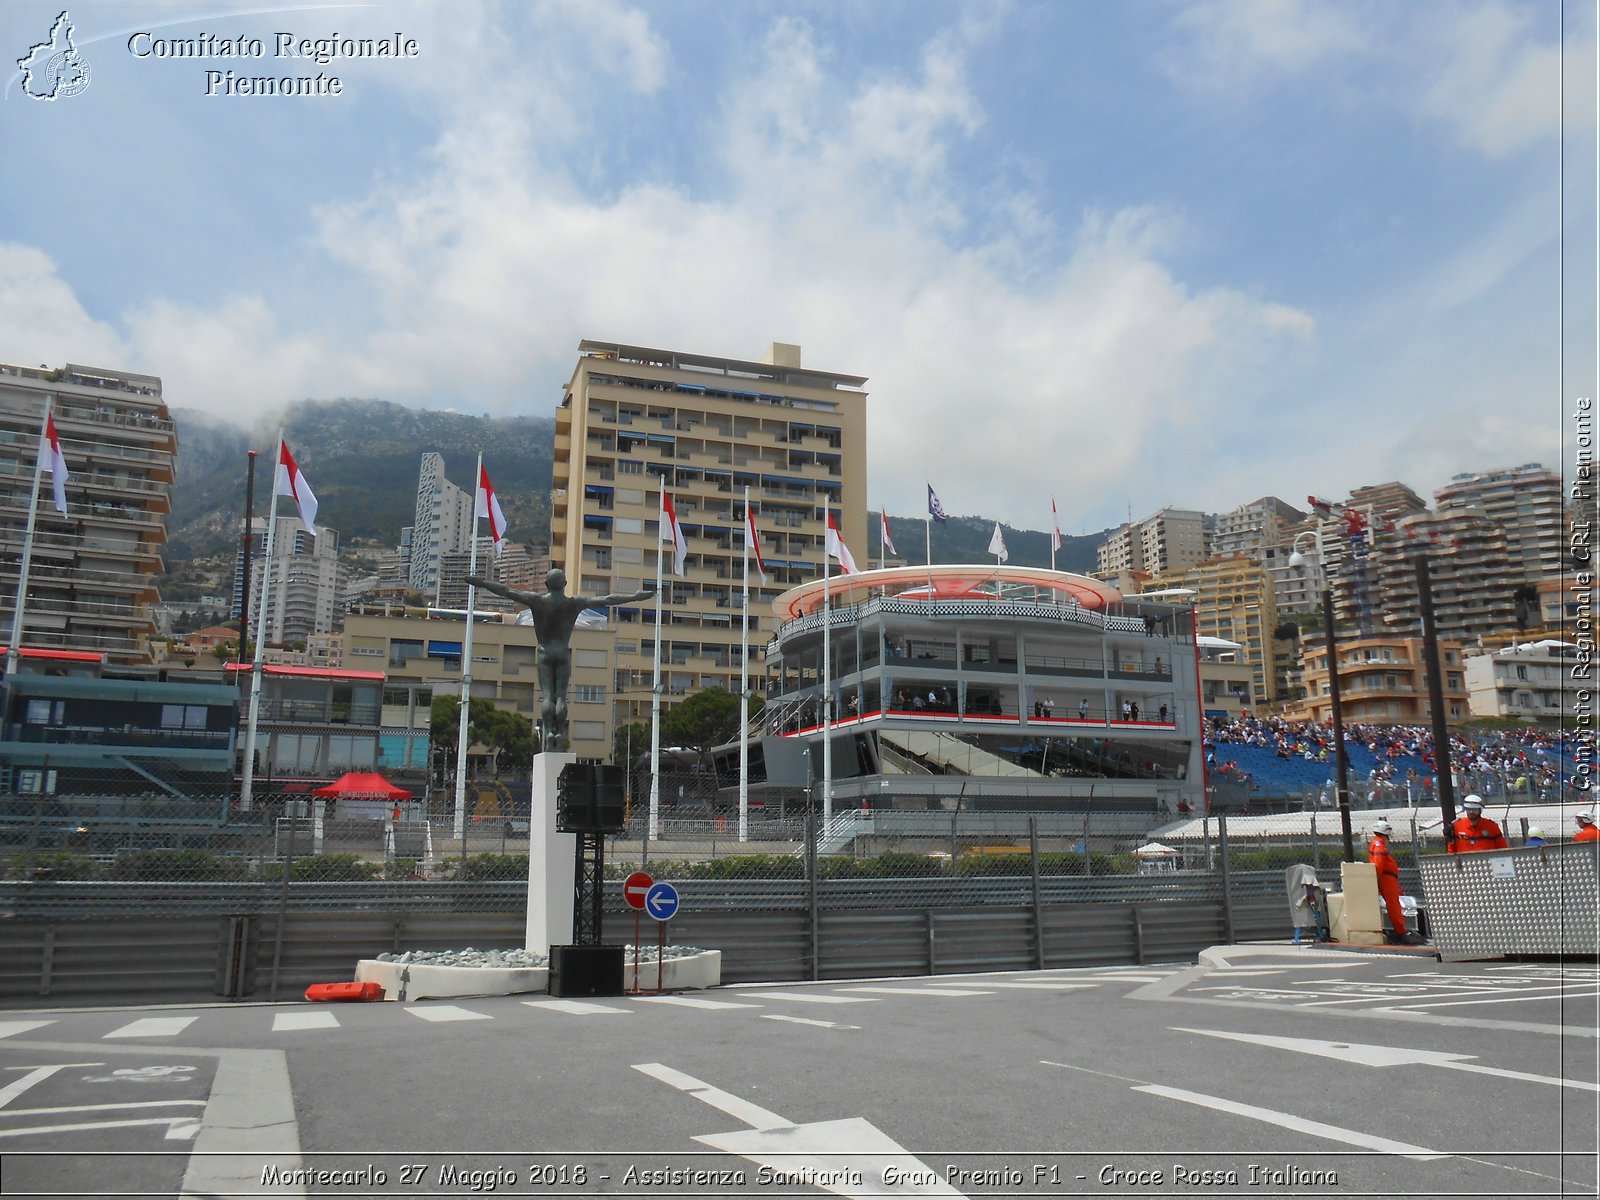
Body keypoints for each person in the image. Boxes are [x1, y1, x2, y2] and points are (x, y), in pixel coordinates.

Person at [465, 569, 655, 750]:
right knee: (560, 696)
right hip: (563, 652)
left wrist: (480, 583)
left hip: (545, 652)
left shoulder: (536, 600)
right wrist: (635, 596)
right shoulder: (574, 603)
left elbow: (506, 591)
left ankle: (549, 731)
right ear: (564, 584)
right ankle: (560, 733)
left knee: (548, 694)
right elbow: (607, 599)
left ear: (546, 584)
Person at [1367, 818, 1411, 941]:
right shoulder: (1379, 845)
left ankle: (1399, 930)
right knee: (1393, 905)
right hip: (1387, 879)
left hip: (1386, 878)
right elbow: (1379, 865)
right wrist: (1378, 878)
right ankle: (1400, 931)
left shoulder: (1377, 843)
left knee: (1393, 904)